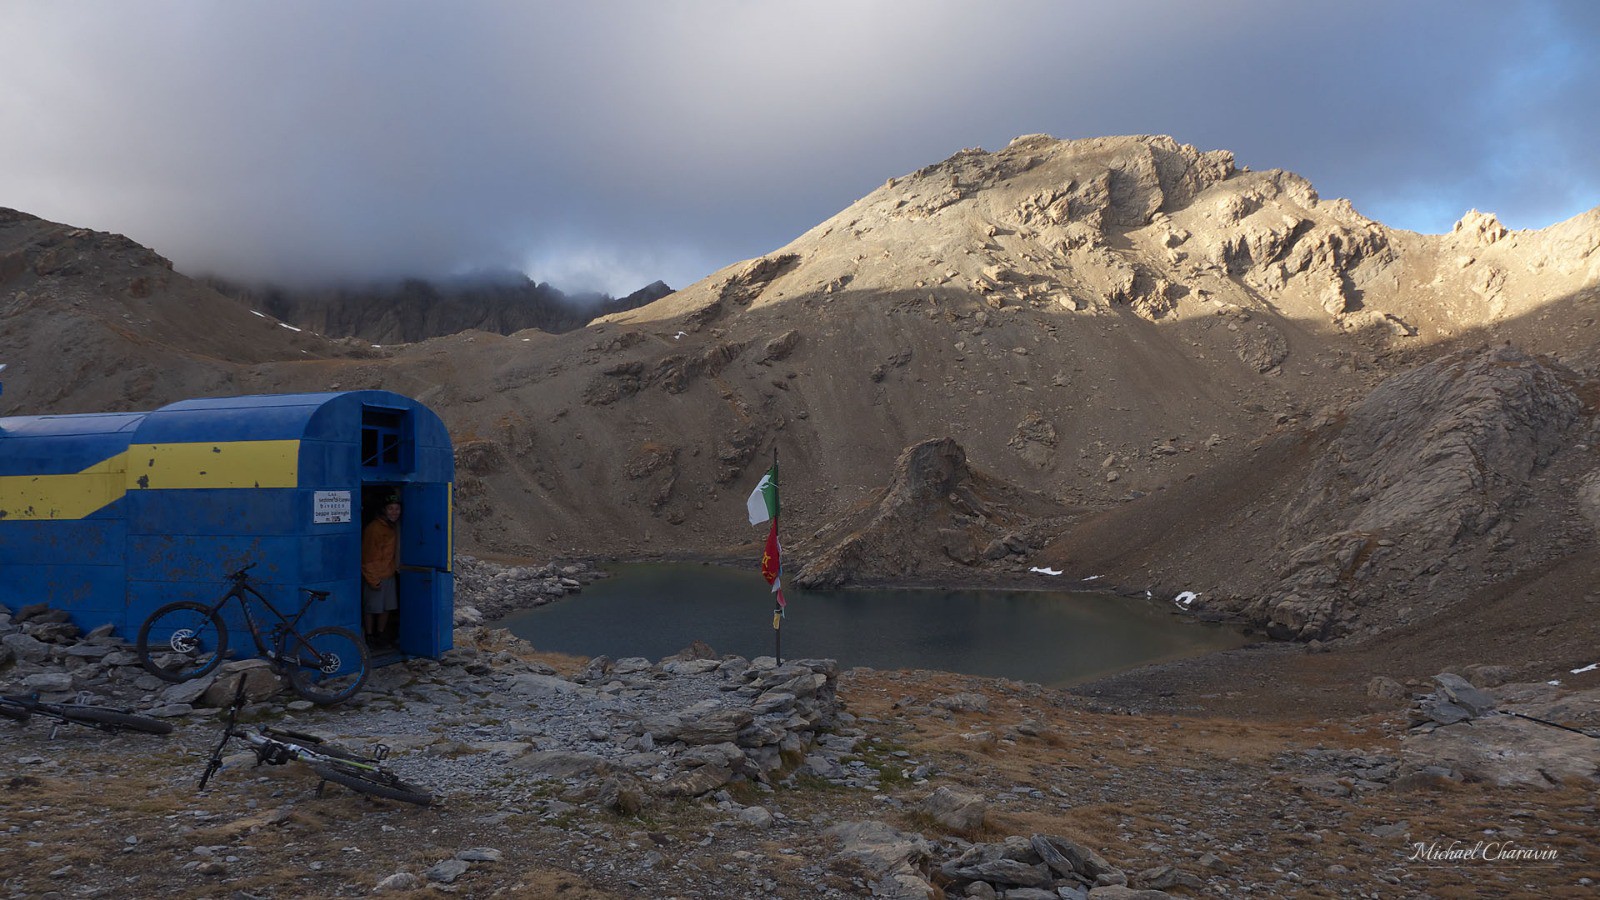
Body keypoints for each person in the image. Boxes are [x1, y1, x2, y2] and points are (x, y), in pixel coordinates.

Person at [361, 496, 401, 646]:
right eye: (391, 508)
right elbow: (366, 556)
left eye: (397, 509)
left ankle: (380, 634)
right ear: (384, 510)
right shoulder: (374, 529)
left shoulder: (393, 527)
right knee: (371, 608)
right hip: (375, 574)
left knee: (387, 607)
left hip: (389, 573)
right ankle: (370, 635)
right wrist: (371, 578)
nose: (394, 512)